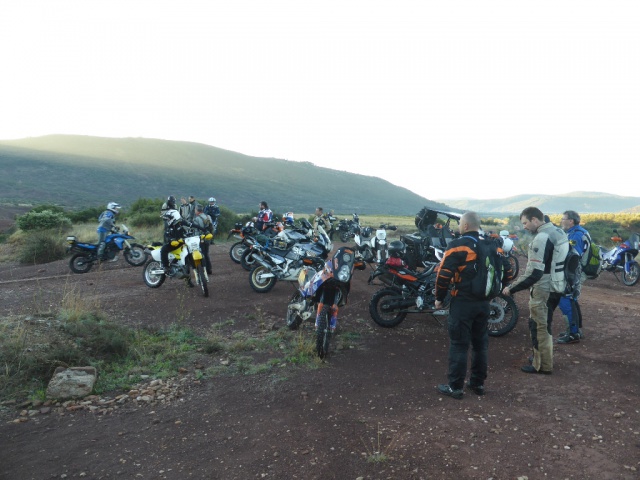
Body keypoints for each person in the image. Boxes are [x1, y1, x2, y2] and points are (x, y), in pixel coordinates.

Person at [434, 211, 513, 399]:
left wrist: (439, 297)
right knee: (480, 345)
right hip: (484, 303)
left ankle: (455, 387)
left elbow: (443, 275)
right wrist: (501, 287)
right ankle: (477, 384)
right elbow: (508, 271)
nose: (459, 226)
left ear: (466, 226)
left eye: (460, 223)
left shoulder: (457, 246)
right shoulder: (493, 245)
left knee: (459, 345)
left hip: (462, 302)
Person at [503, 207, 568, 375]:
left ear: (535, 220)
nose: (524, 226)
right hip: (558, 284)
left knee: (539, 325)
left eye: (525, 222)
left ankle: (542, 365)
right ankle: (541, 358)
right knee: (545, 323)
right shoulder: (559, 232)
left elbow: (535, 272)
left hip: (544, 287)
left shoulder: (542, 237)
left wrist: (511, 288)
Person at [555, 210, 589, 342]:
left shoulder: (576, 236)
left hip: (573, 273)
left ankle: (573, 334)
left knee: (565, 299)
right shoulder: (579, 232)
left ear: (571, 221)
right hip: (576, 273)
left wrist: (568, 277)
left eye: (563, 219)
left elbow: (574, 257)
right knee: (572, 300)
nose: (561, 221)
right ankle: (576, 330)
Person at [192, 203, 213, 276]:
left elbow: (195, 230)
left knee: (201, 254)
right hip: (208, 237)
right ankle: (209, 269)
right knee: (206, 253)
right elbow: (212, 227)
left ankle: (204, 270)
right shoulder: (208, 217)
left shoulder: (196, 219)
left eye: (195, 209)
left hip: (200, 238)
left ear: (197, 210)